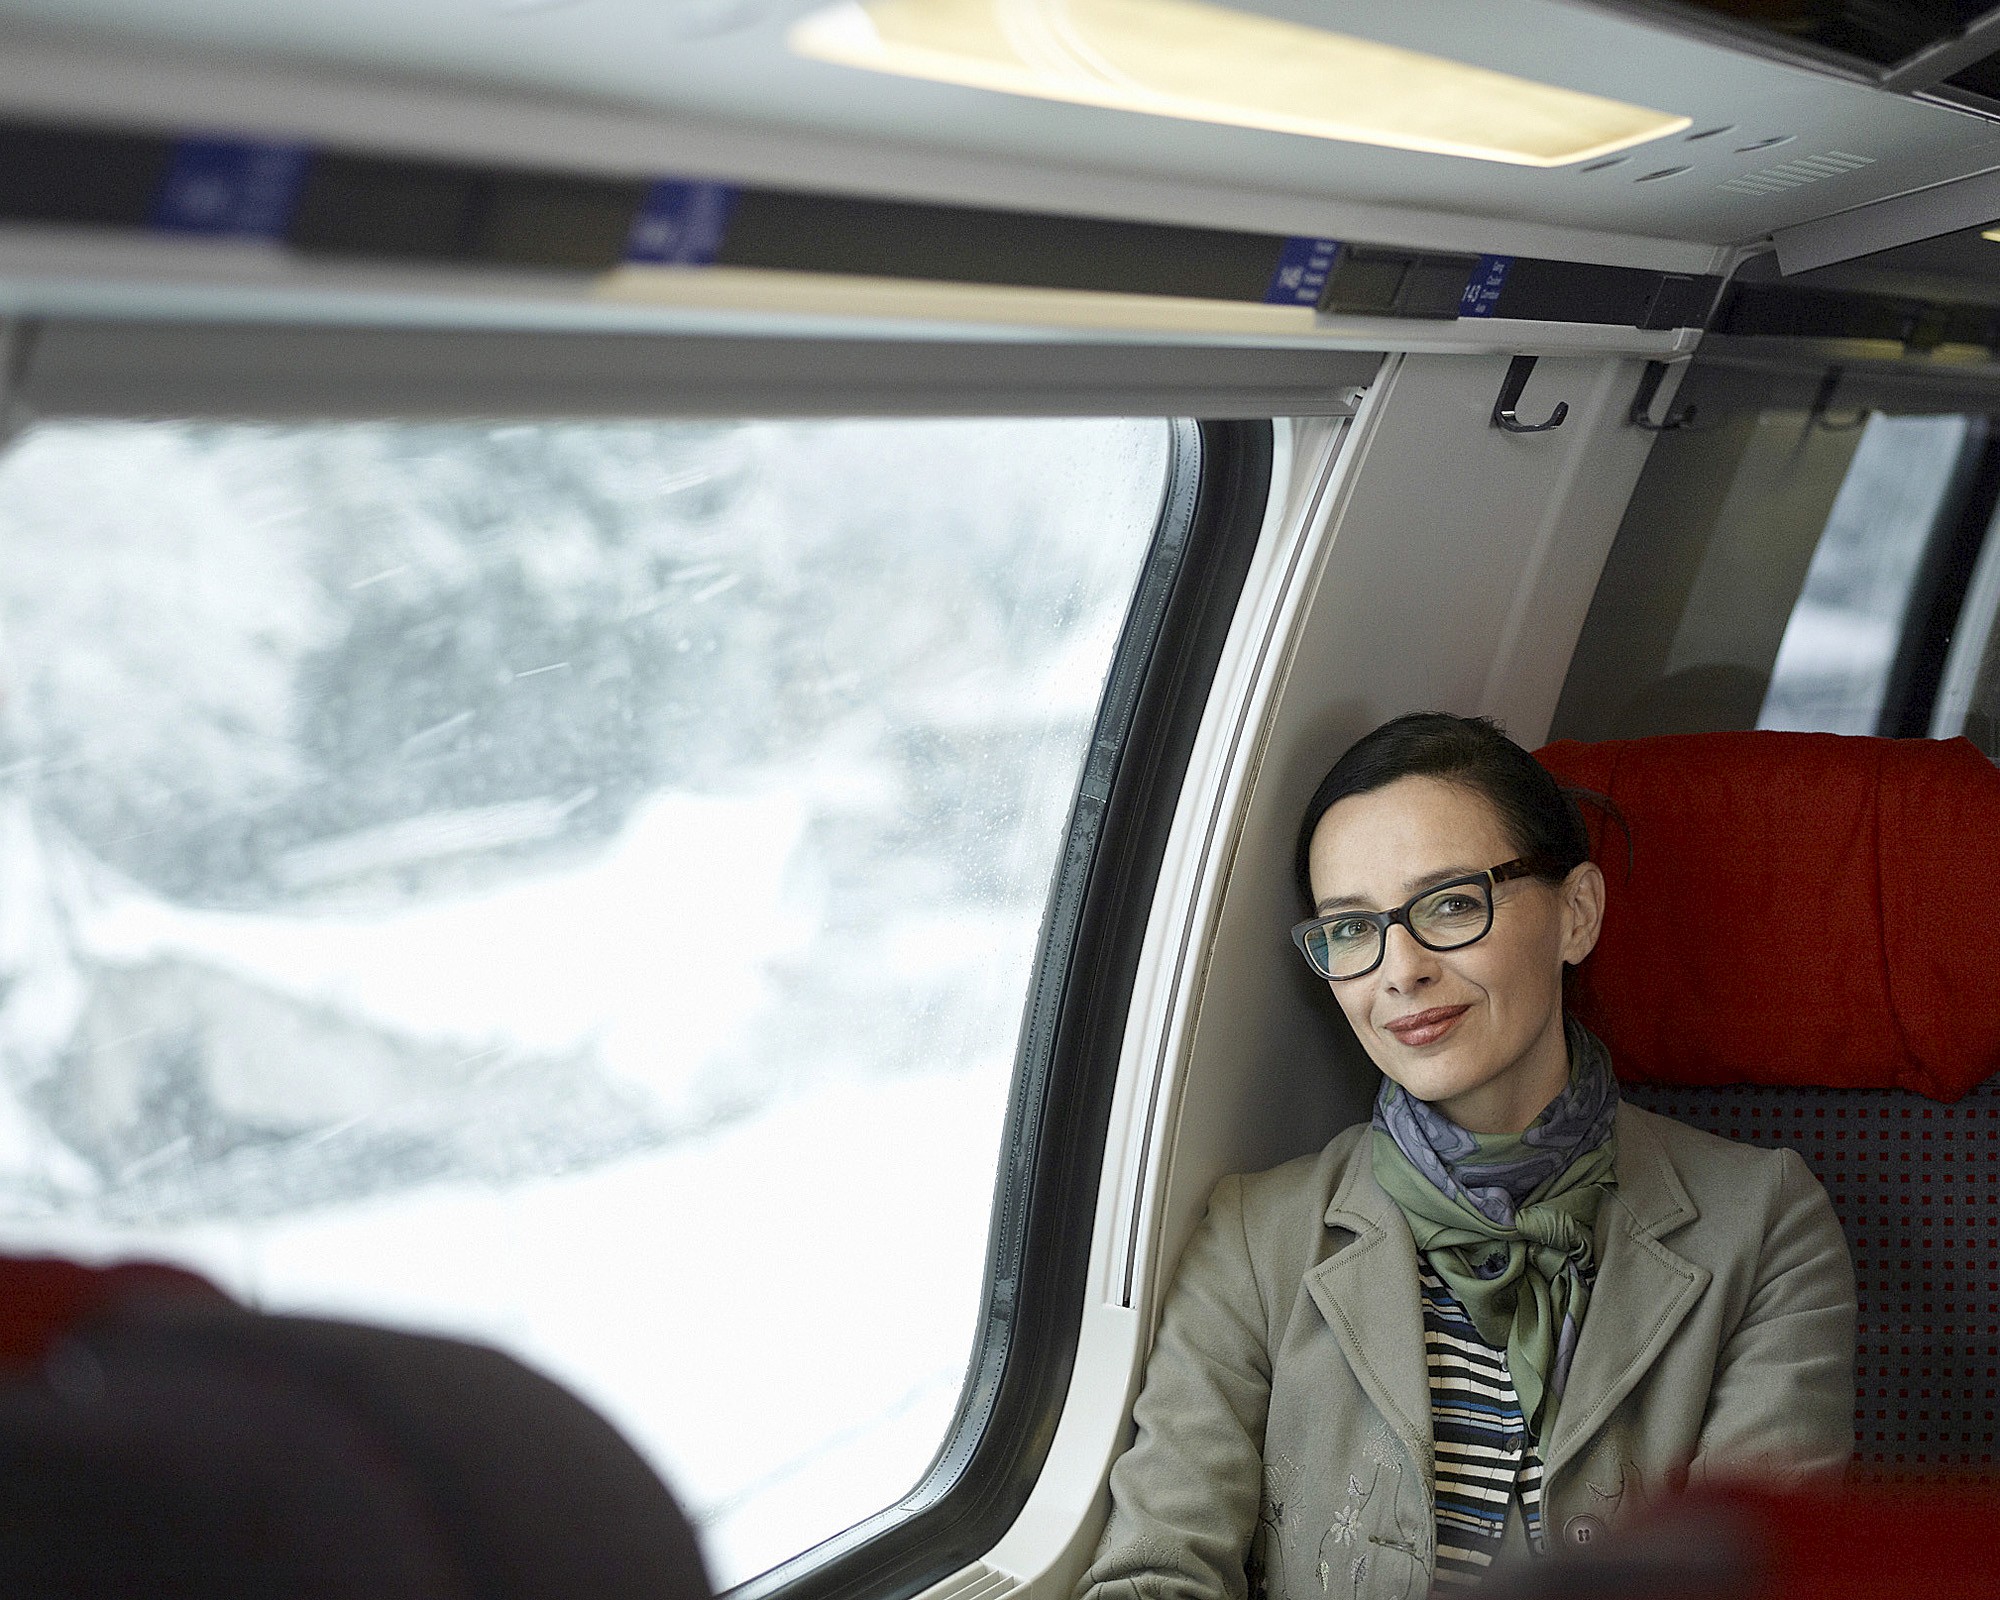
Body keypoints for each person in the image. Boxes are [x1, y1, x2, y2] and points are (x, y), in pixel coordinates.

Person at [1075, 713, 1855, 1600]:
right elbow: (1157, 1572)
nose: (1399, 970)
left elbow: (1753, 1574)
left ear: (1576, 913)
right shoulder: (1258, 1238)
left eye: (1450, 904)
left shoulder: (1764, 1223)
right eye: (1352, 929)